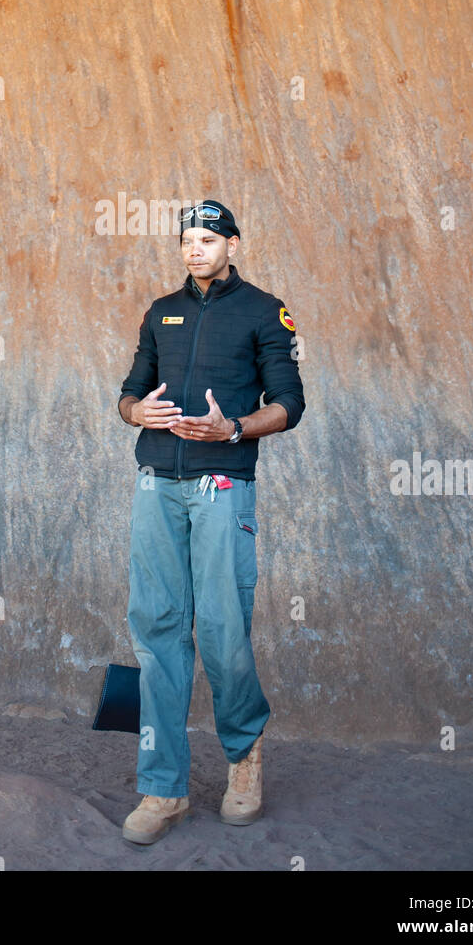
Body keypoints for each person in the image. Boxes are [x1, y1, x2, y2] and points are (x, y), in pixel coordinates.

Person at [117, 199, 305, 844]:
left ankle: (244, 760)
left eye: (207, 238)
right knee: (158, 630)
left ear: (232, 244)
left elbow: (289, 403)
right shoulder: (159, 311)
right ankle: (162, 789)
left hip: (222, 484)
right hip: (156, 486)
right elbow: (129, 389)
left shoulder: (263, 311)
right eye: (186, 239)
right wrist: (134, 413)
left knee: (223, 631)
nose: (194, 249)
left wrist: (234, 430)